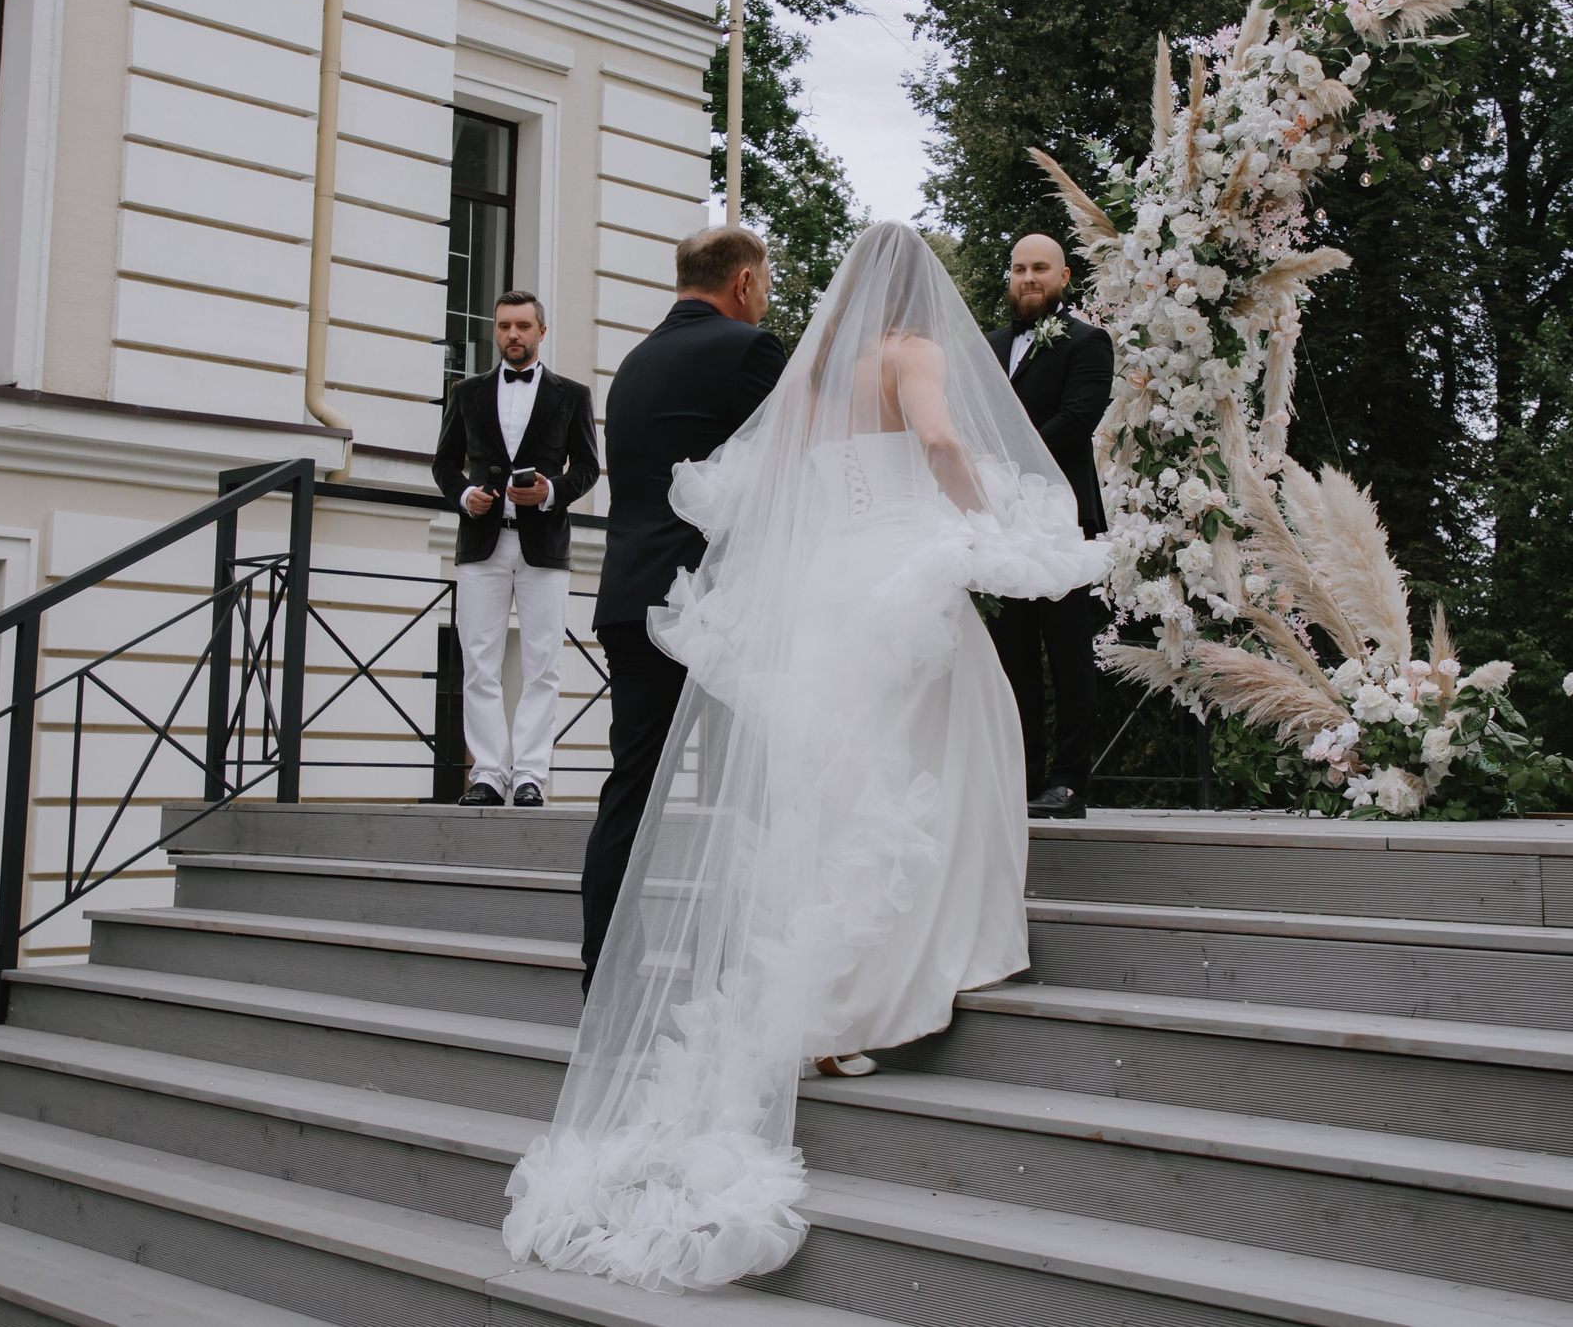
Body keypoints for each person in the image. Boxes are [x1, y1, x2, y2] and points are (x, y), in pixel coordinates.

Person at [502, 222, 1106, 1295]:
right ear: (917, 290)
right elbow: (937, 446)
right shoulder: (906, 354)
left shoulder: (807, 373)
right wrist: (982, 527)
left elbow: (764, 482)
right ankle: (903, 974)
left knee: (834, 788)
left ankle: (794, 998)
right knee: (954, 752)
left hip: (823, 591)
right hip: (901, 581)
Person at [579, 225, 785, 988]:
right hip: (717, 605)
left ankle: (605, 962)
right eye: (763, 285)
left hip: (632, 598)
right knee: (752, 785)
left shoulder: (631, 363)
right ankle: (744, 965)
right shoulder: (748, 351)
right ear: (741, 283)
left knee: (632, 786)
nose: (764, 300)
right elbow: (791, 465)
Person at [433, 291, 600, 808]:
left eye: (523, 326)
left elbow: (588, 468)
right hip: (481, 544)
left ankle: (529, 775)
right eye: (505, 326)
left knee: (542, 663)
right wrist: (465, 496)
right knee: (478, 661)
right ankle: (487, 774)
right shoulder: (467, 393)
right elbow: (443, 464)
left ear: (540, 332)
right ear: (496, 331)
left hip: (544, 546)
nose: (513, 335)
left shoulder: (571, 394)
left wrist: (549, 492)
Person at [985, 233, 1116, 819]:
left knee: (1067, 653)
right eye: (1018, 269)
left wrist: (1003, 459)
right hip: (997, 524)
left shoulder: (1089, 343)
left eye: (1040, 268)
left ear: (1064, 278)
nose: (1028, 277)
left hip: (1062, 519)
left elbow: (1076, 419)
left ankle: (1067, 781)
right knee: (1011, 655)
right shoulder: (985, 349)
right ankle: (1022, 774)